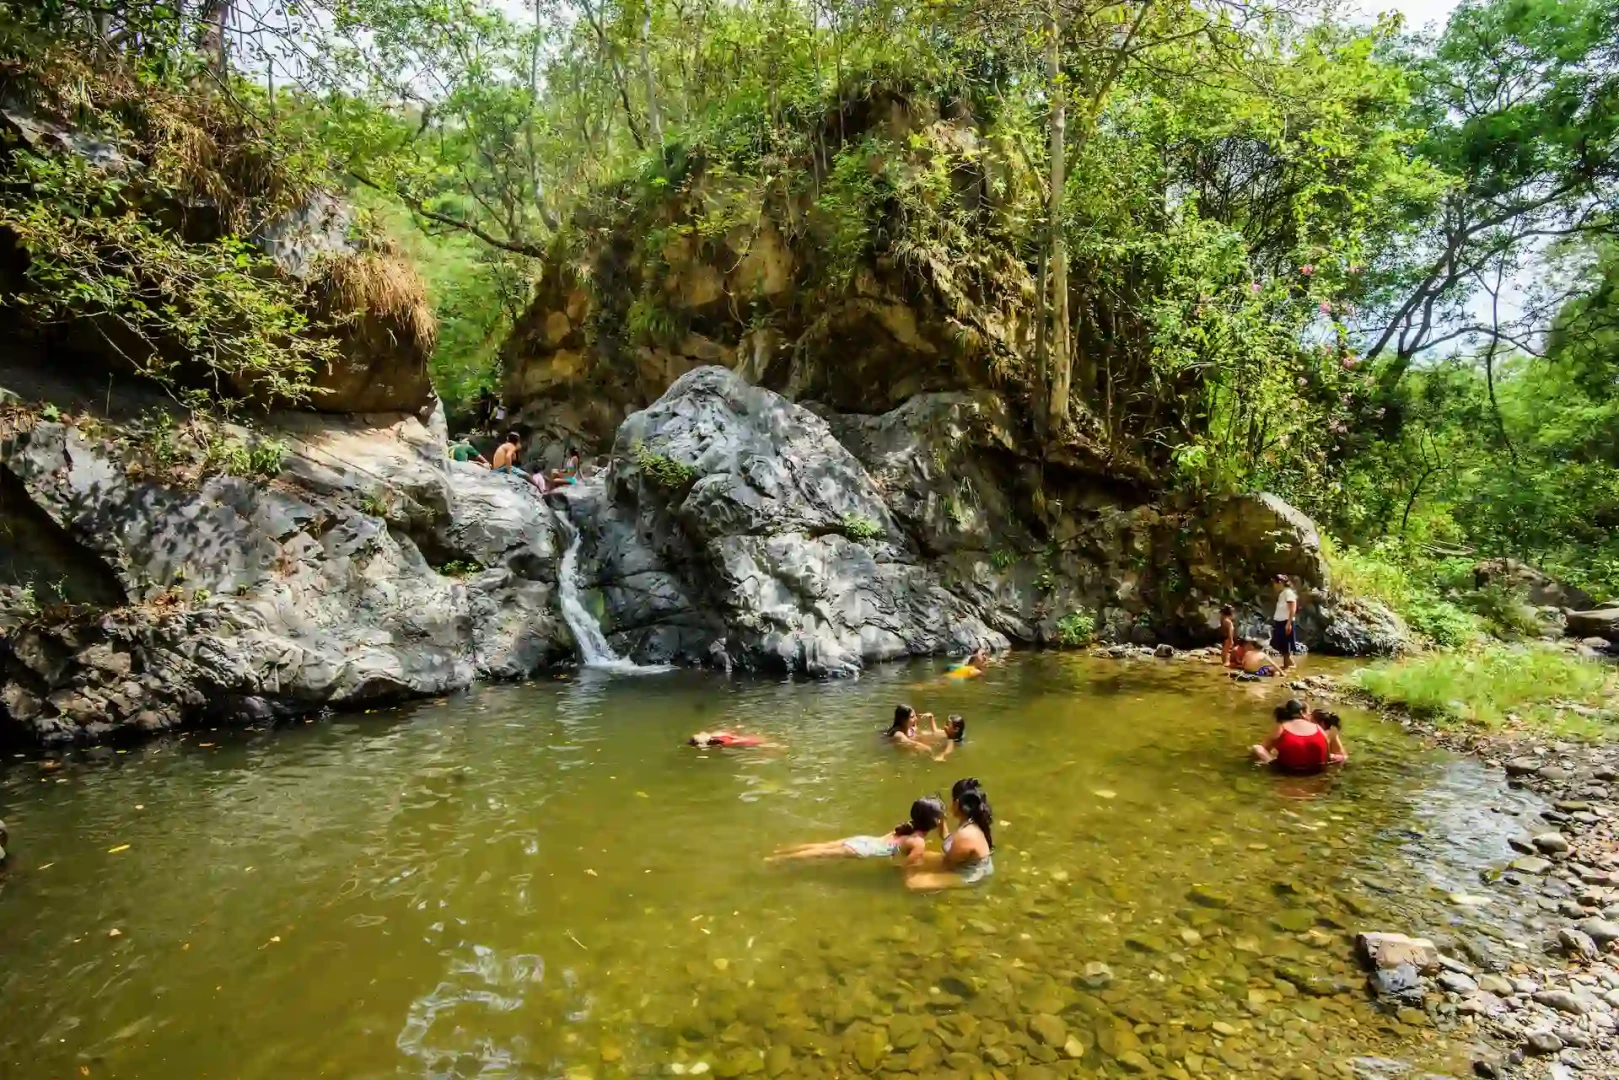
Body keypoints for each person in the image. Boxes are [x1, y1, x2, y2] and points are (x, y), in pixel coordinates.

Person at [767, 796, 946, 863]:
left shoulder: (906, 829)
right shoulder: (918, 842)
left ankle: (782, 852)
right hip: (862, 850)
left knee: (822, 846)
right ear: (935, 821)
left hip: (864, 840)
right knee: (819, 854)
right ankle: (777, 860)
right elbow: (905, 867)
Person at [903, 778, 995, 890]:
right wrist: (941, 819)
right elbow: (947, 839)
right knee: (917, 855)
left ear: (956, 803)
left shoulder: (966, 835)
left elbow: (946, 866)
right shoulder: (969, 823)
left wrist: (909, 869)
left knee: (912, 883)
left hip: (970, 875)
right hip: (959, 863)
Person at [1251, 700, 1340, 774]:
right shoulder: (1318, 728)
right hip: (1317, 770)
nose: (1310, 716)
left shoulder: (1282, 727)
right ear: (1302, 713)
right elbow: (1326, 756)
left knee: (1257, 748)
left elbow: (1265, 748)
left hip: (1289, 771)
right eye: (1309, 713)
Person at [1272, 574, 1299, 671]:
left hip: (1286, 622)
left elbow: (1293, 609)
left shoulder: (1288, 593)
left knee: (1286, 646)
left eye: (1275, 583)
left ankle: (1288, 667)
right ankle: (1288, 665)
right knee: (1282, 646)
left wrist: (1288, 624)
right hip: (1280, 622)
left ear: (1279, 583)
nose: (1274, 586)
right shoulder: (1282, 593)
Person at [688, 731, 777, 749]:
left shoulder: (720, 741)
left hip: (735, 740)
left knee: (762, 742)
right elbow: (728, 734)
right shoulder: (717, 734)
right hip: (731, 738)